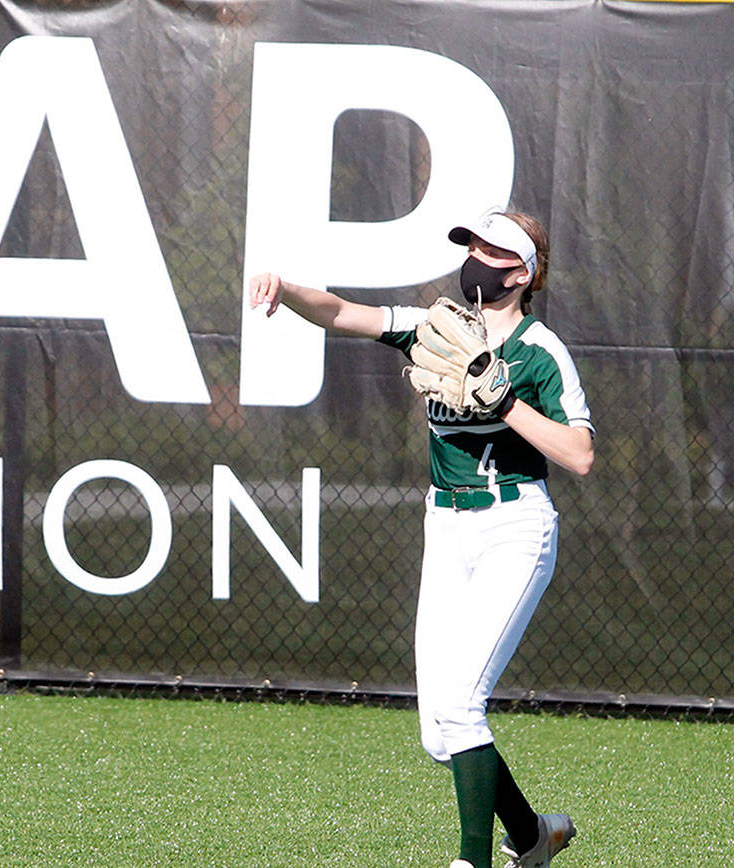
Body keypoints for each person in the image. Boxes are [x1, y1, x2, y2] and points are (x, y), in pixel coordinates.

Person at [248, 208, 593, 868]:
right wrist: (286, 290)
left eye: (491, 252)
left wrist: (505, 403)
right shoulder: (436, 329)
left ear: (521, 274)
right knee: (442, 732)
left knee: (464, 707)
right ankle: (532, 837)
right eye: (471, 246)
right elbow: (344, 312)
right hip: (447, 525)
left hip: (513, 527)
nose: (475, 260)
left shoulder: (541, 352)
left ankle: (473, 861)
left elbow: (579, 456)